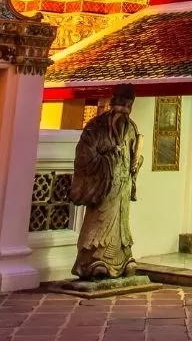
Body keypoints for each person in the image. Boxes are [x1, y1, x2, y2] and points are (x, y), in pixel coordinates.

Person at [70, 85, 143, 280]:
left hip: (122, 185)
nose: (123, 107)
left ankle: (122, 260)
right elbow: (84, 155)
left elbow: (133, 153)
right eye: (120, 102)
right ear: (113, 101)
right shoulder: (97, 127)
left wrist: (137, 162)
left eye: (128, 104)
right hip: (104, 183)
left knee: (121, 224)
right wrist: (108, 160)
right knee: (100, 223)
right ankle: (93, 261)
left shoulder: (131, 128)